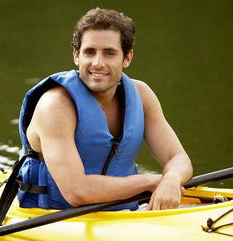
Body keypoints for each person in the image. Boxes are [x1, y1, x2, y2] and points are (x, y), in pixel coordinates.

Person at [16, 8, 193, 211]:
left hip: (124, 213)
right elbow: (76, 191)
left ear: (127, 58)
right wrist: (151, 181)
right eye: (89, 52)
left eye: (109, 53)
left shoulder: (141, 95)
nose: (98, 63)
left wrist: (171, 178)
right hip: (56, 217)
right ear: (76, 55)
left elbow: (178, 158)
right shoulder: (55, 106)